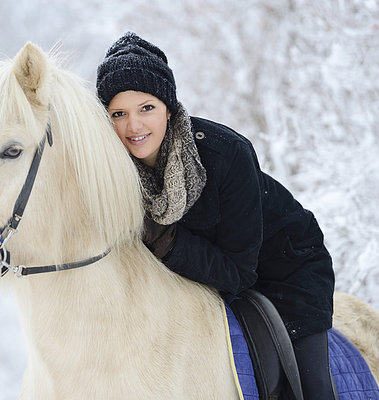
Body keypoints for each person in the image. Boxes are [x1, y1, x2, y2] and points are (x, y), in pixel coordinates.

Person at [96, 32, 337, 400]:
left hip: (284, 266)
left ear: (169, 108)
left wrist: (165, 238)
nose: (134, 127)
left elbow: (241, 272)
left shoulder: (227, 153)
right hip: (198, 279)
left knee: (308, 388)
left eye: (147, 108)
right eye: (119, 114)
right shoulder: (113, 171)